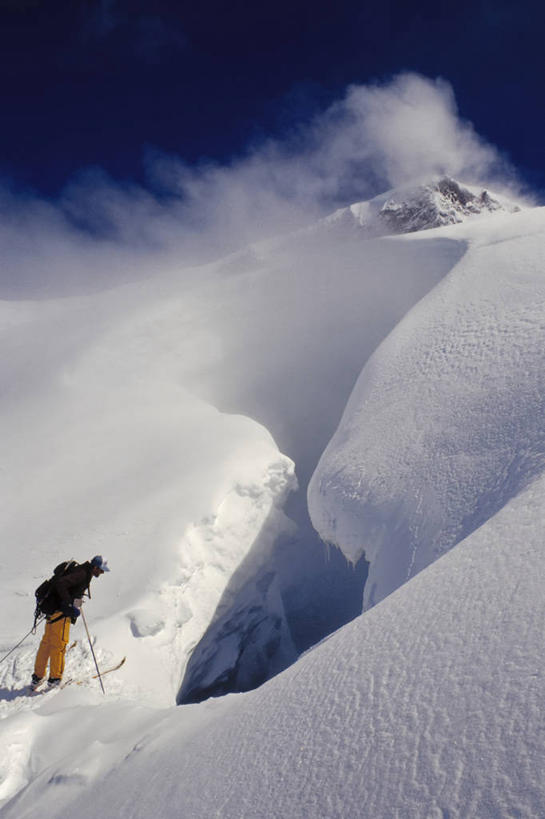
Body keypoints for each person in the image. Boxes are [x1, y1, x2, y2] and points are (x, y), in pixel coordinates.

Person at [30, 555, 110, 690]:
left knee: (47, 644)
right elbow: (61, 584)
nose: (101, 573)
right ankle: (55, 679)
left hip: (53, 612)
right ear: (95, 567)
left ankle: (37, 677)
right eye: (101, 570)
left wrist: (75, 603)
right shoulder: (82, 574)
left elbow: (69, 588)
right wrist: (69, 605)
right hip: (61, 615)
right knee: (59, 646)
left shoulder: (82, 571)